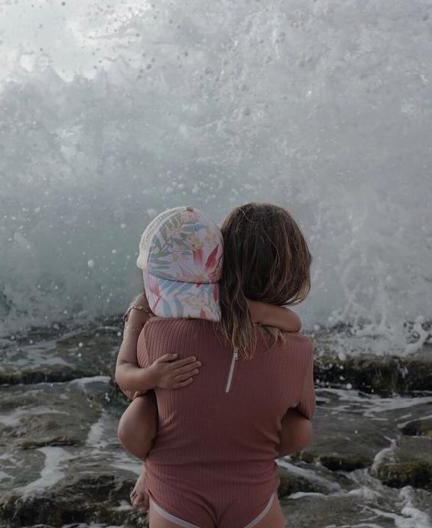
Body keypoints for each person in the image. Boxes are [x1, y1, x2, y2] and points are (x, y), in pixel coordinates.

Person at [121, 202, 316, 528]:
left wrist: (151, 465)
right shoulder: (295, 351)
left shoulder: (160, 336)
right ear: (292, 270)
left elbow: (145, 394)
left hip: (175, 499)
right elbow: (294, 435)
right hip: (251, 499)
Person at [115, 206, 311, 509]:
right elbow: (125, 379)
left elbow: (293, 323)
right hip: (169, 418)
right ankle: (153, 468)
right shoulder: (151, 306)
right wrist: (151, 377)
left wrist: (256, 312)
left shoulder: (209, 296)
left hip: (212, 420)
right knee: (139, 418)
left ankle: (235, 463)